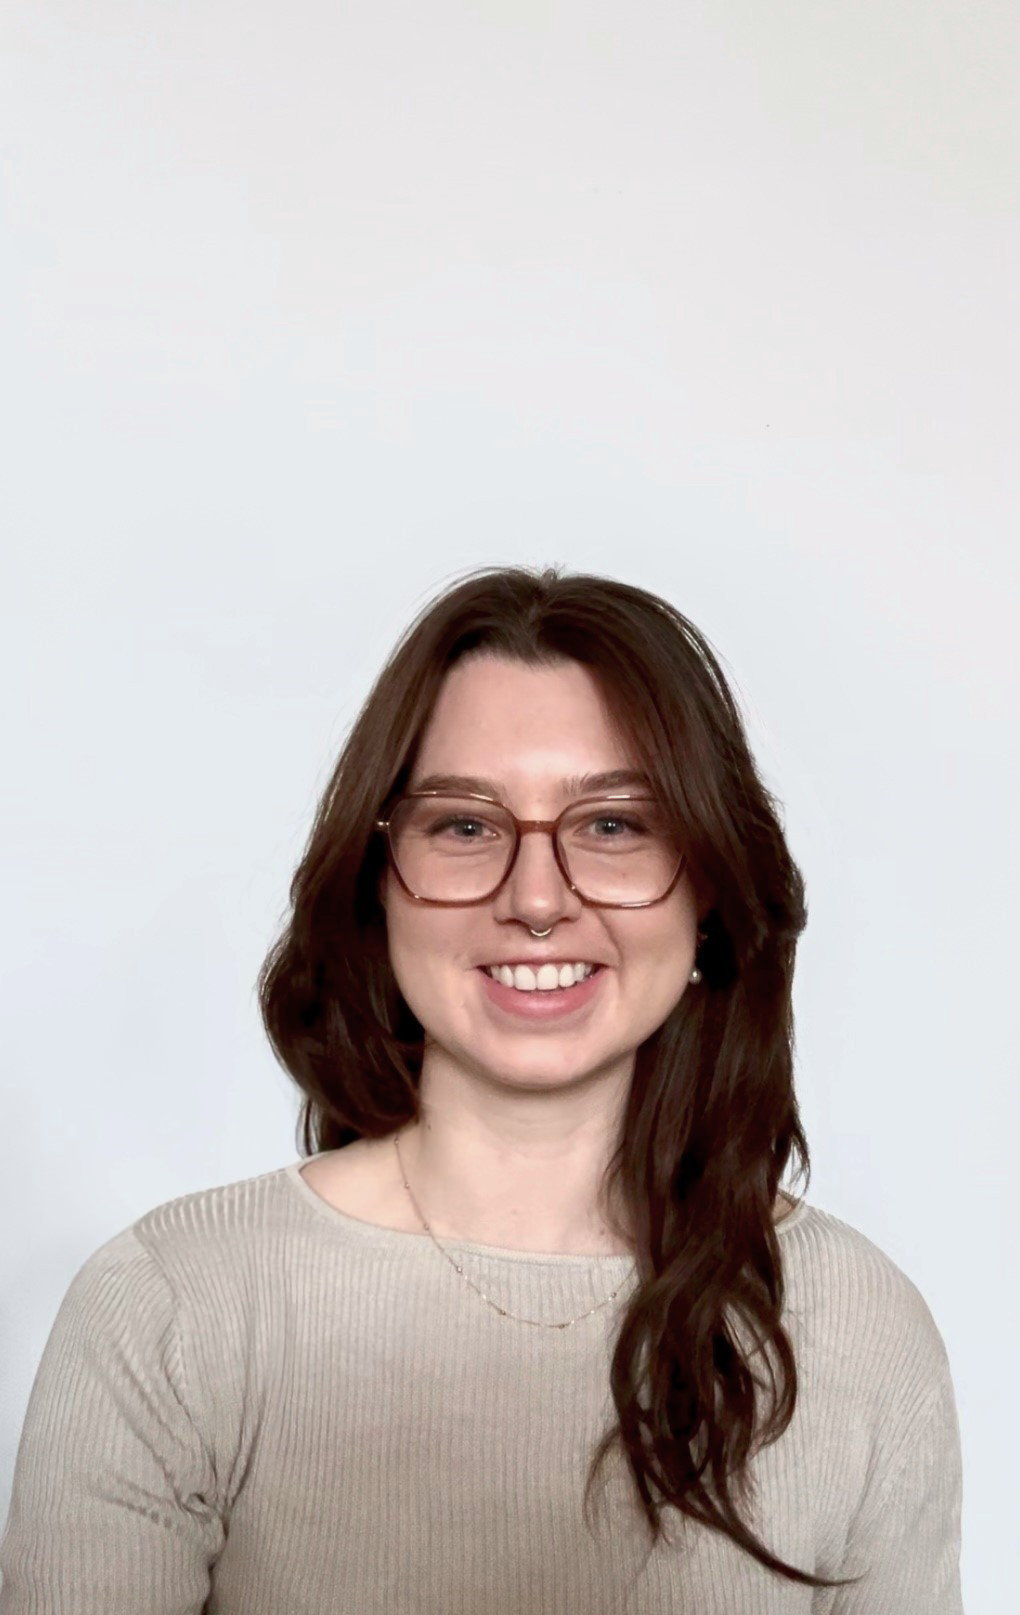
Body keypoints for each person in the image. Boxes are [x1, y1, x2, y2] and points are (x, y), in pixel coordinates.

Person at [0, 566, 964, 1612]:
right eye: (465, 825)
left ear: (710, 893)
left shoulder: (859, 1329)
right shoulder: (173, 1307)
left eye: (613, 824)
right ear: (377, 881)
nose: (537, 899)